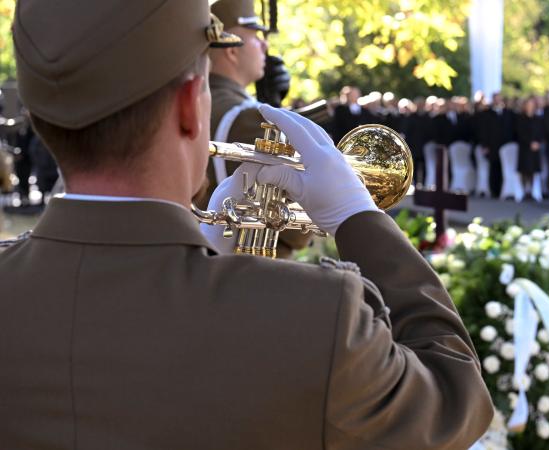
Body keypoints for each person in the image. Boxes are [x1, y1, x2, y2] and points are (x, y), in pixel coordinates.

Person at [1, 2, 493, 449]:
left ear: (43, 120)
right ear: (192, 106)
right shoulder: (319, 318)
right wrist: (356, 217)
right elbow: (456, 398)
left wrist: (204, 245)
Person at [203, 0, 309, 257]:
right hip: (247, 275)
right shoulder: (245, 117)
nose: (265, 45)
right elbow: (297, 232)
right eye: (255, 37)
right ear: (232, 49)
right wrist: (272, 115)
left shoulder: (198, 101)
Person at [514, 97, 543, 199]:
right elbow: (520, 133)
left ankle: (531, 191)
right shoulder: (520, 118)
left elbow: (541, 132)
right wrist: (529, 143)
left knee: (533, 170)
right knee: (524, 169)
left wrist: (537, 143)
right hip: (525, 148)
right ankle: (524, 191)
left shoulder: (538, 118)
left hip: (535, 148)